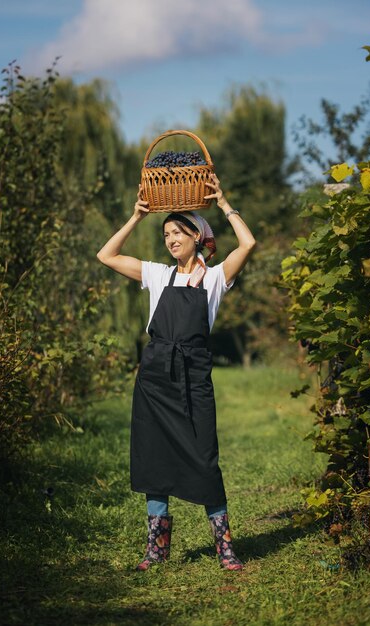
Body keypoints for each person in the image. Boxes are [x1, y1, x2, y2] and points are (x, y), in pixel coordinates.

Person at [97, 172, 256, 571]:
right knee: (153, 461)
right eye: (166, 233)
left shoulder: (217, 278)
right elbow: (107, 255)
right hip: (154, 380)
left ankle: (224, 547)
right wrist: (136, 217)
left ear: (197, 236)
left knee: (204, 458)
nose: (170, 240)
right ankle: (156, 548)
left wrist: (223, 204)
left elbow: (248, 243)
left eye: (177, 233)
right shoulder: (157, 273)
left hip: (193, 377)